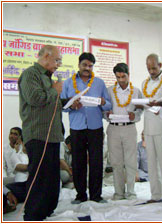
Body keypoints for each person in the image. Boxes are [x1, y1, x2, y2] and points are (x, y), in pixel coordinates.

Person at [18, 45, 69, 221]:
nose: (58, 65)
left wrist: (69, 102)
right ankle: (33, 215)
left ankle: (47, 210)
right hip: (38, 134)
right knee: (39, 178)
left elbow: (51, 103)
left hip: (52, 136)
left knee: (52, 178)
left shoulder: (49, 79)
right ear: (46, 56)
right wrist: (55, 90)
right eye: (57, 60)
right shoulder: (31, 74)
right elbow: (35, 98)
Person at [61, 52, 112, 204]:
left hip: (95, 127)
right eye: (85, 65)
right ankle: (80, 195)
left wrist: (103, 102)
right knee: (78, 162)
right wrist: (72, 105)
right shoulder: (68, 83)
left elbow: (109, 104)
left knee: (96, 161)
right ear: (79, 65)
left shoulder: (99, 83)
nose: (87, 68)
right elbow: (63, 106)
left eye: (90, 66)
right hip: (77, 127)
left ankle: (96, 195)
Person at [141, 53, 162, 207]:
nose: (151, 71)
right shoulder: (144, 83)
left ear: (160, 66)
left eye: (154, 68)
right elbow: (146, 104)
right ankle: (155, 194)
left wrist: (161, 105)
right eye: (149, 68)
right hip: (148, 126)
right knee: (151, 163)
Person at [105, 63, 143, 200]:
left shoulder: (136, 91)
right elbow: (104, 108)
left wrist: (135, 115)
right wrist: (107, 114)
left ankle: (131, 192)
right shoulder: (109, 91)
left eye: (123, 76)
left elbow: (141, 108)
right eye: (118, 77)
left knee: (131, 161)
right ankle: (119, 192)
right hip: (113, 128)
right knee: (116, 162)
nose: (121, 80)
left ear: (128, 75)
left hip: (129, 128)